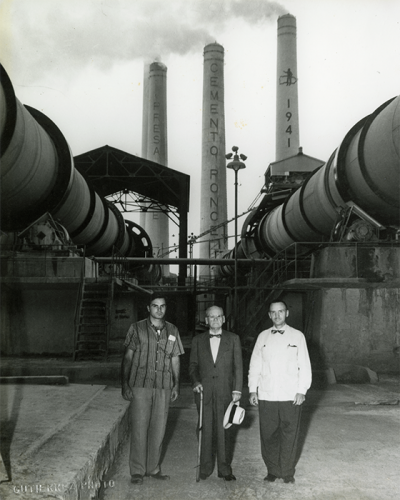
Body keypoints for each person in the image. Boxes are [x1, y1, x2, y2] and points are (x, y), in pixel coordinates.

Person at [121, 293, 184, 485]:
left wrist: (176, 384)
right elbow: (128, 357)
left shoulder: (173, 330)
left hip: (164, 386)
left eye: (162, 306)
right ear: (148, 308)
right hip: (140, 384)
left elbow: (175, 358)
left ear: (166, 308)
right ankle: (137, 471)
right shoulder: (136, 328)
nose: (159, 309)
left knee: (159, 428)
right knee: (140, 427)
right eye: (155, 306)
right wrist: (124, 383)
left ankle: (153, 468)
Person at [248, 299, 312, 484]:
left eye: (281, 311)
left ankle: (287, 471)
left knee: (290, 434)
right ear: (269, 315)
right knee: (268, 434)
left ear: (287, 313)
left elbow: (305, 366)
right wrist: (253, 390)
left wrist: (302, 390)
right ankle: (272, 470)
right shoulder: (262, 337)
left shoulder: (298, 336)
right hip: (267, 395)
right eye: (273, 312)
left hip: (290, 396)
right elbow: (255, 365)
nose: (277, 315)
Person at [189, 305, 243, 481]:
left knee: (224, 430)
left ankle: (224, 469)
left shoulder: (234, 339)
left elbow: (238, 367)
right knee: (205, 428)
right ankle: (205, 467)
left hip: (226, 391)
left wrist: (237, 390)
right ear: (206, 320)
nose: (215, 320)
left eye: (218, 316)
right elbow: (193, 366)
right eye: (211, 317)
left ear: (224, 319)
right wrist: (196, 381)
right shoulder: (197, 340)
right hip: (204, 392)